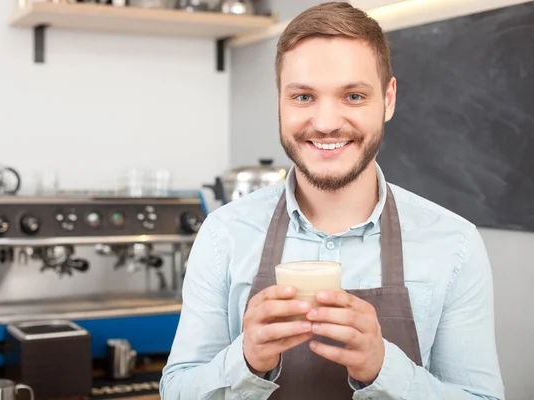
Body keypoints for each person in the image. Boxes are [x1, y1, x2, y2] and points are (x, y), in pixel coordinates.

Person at [159, 2, 505, 399]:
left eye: (354, 96)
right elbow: (176, 391)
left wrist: (383, 369)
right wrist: (246, 360)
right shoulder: (223, 235)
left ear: (388, 100)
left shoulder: (454, 244)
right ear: (279, 101)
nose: (325, 123)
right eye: (303, 97)